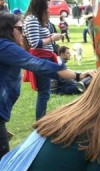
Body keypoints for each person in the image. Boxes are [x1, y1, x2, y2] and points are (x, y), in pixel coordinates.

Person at [0, 13, 93, 160]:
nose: (24, 34)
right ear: (8, 29)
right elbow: (37, 64)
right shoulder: (4, 45)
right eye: (20, 29)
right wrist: (77, 75)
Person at [23, 0, 65, 120]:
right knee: (44, 92)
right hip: (41, 57)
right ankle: (40, 121)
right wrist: (52, 38)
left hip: (46, 56)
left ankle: (41, 120)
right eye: (46, 5)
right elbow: (35, 43)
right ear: (40, 5)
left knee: (45, 91)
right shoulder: (32, 20)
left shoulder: (37, 19)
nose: (48, 8)